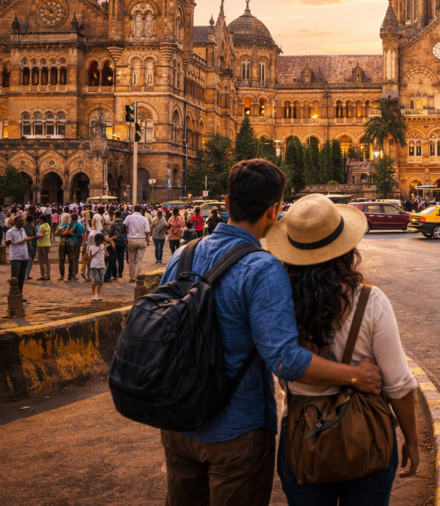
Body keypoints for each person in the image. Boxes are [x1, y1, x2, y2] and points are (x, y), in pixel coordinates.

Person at [158, 160, 383, 506]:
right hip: (236, 432)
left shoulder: (183, 256)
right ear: (275, 210)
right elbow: (285, 360)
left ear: (227, 202)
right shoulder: (261, 268)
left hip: (179, 424)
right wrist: (356, 376)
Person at [269, 193, 420, 503]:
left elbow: (280, 361)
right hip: (366, 436)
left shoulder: (279, 301)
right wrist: (413, 441)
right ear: (345, 247)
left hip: (301, 434)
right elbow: (399, 385)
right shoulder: (370, 301)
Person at [5, 216, 35, 298]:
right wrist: (24, 240)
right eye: (19, 221)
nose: (21, 222)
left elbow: (25, 240)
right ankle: (13, 296)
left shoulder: (23, 230)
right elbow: (9, 242)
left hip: (24, 256)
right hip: (16, 256)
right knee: (15, 277)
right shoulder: (10, 232)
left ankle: (19, 295)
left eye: (22, 220)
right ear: (14, 222)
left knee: (22, 278)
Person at [124, 205, 151, 283]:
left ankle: (132, 277)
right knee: (139, 259)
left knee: (132, 260)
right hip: (142, 240)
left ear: (133, 209)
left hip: (131, 240)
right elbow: (147, 231)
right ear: (141, 210)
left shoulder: (129, 217)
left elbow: (124, 226)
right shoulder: (144, 218)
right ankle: (138, 276)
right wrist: (147, 241)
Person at [57, 212, 85, 281]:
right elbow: (82, 235)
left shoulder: (67, 225)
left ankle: (63, 275)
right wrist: (82, 242)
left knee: (65, 259)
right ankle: (73, 273)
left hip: (68, 242)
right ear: (77, 218)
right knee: (75, 258)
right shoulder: (79, 225)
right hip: (77, 241)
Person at [86, 233, 108, 302]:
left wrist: (105, 248)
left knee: (101, 281)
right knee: (95, 281)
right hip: (94, 265)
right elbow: (90, 256)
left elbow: (106, 255)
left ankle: (98, 294)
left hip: (101, 265)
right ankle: (93, 294)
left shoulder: (102, 246)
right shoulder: (91, 247)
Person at [108, 210, 128, 279]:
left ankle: (114, 274)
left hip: (114, 242)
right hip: (122, 242)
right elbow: (126, 233)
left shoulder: (112, 223)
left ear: (115, 215)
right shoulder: (124, 224)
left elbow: (110, 233)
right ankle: (120, 273)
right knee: (121, 259)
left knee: (114, 259)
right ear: (121, 215)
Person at [35, 213, 53, 280]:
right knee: (46, 261)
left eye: (39, 218)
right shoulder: (48, 225)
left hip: (42, 245)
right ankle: (47, 274)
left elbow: (40, 235)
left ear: (41, 219)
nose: (38, 219)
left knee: (41, 261)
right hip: (47, 244)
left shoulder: (42, 226)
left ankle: (43, 275)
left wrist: (34, 236)